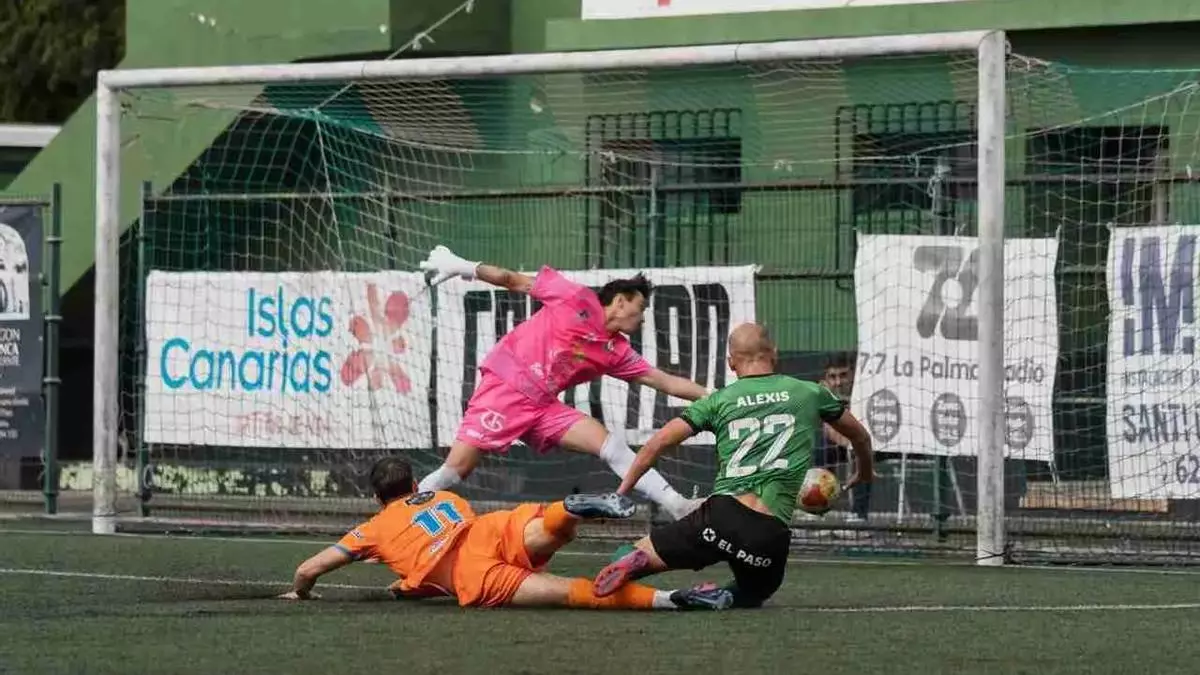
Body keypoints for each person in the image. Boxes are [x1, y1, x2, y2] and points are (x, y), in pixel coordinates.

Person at [590, 323, 874, 608]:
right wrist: (863, 471)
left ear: (731, 362)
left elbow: (657, 444)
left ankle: (639, 561)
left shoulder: (717, 401)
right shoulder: (810, 392)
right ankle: (720, 596)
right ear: (774, 353)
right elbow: (860, 436)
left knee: (627, 553)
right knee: (755, 592)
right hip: (769, 534)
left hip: (720, 517)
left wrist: (621, 492)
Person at [415, 245, 707, 520]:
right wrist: (463, 266)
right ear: (620, 301)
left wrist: (715, 394)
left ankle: (677, 505)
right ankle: (405, 515)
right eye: (641, 307)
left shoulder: (616, 351)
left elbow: (665, 382)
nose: (643, 318)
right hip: (506, 387)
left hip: (543, 406)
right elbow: (510, 279)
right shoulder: (574, 297)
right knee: (456, 469)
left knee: (612, 447)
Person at [279, 456, 732, 611]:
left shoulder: (374, 527)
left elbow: (310, 568)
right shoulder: (443, 497)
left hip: (469, 572)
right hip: (483, 529)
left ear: (378, 498)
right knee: (551, 530)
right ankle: (570, 509)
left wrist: (301, 591)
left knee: (572, 593)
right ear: (415, 485)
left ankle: (673, 599)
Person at [816, 353, 872, 524]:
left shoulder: (866, 390)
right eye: (833, 377)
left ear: (853, 374)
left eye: (843, 375)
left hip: (873, 444)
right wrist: (849, 443)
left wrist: (855, 444)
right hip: (843, 443)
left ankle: (858, 515)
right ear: (826, 379)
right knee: (822, 449)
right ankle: (818, 507)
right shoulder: (823, 393)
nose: (838, 382)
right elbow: (828, 429)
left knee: (861, 454)